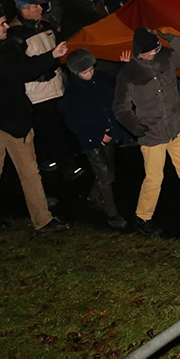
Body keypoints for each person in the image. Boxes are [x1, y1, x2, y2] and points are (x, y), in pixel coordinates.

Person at [0, 0, 70, 233]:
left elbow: (25, 69)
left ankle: (43, 220)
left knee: (30, 172)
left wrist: (52, 55)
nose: (7, 27)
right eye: (1, 24)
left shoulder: (10, 46)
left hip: (18, 122)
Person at [113, 27, 180, 236]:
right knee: (154, 179)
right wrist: (134, 126)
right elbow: (120, 107)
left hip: (176, 128)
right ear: (139, 51)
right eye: (149, 51)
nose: (154, 53)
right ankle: (143, 218)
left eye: (156, 48)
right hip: (152, 135)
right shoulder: (129, 74)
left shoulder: (166, 57)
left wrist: (170, 38)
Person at [8, 0, 83, 179]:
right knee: (49, 128)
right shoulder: (15, 36)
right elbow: (23, 69)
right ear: (24, 10)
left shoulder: (45, 26)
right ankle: (66, 166)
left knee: (53, 126)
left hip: (56, 85)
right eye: (36, 6)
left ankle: (47, 158)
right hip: (37, 92)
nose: (41, 8)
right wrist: (51, 58)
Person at [59, 49, 130, 230]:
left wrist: (124, 65)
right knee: (105, 175)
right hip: (92, 140)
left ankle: (92, 196)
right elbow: (75, 123)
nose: (89, 74)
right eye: (84, 72)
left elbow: (113, 78)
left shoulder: (100, 78)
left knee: (107, 170)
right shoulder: (73, 94)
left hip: (109, 134)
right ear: (75, 73)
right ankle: (112, 214)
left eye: (91, 69)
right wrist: (98, 136)